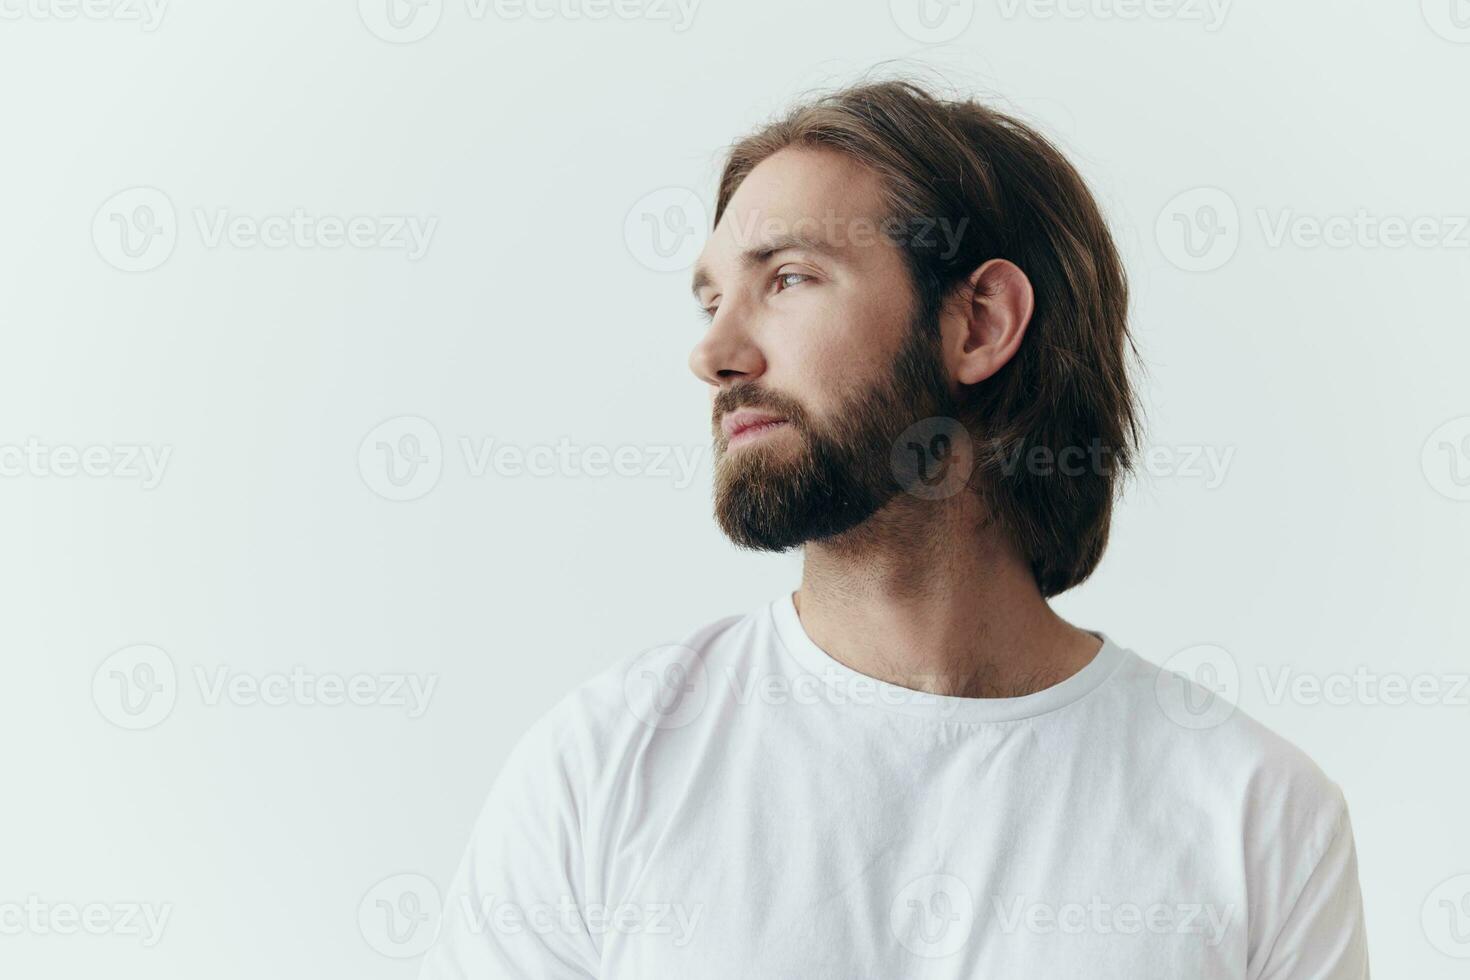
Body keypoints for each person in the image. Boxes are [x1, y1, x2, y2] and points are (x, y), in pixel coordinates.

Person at [419, 77, 1370, 978]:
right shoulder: (602, 766)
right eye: (712, 300)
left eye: (787, 279)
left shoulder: (1257, 815)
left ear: (978, 323)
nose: (714, 352)